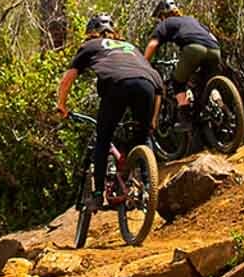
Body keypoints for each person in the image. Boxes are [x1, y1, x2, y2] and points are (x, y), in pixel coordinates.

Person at [57, 14, 164, 207]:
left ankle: (98, 194)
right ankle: (149, 188)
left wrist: (61, 105)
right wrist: (153, 119)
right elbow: (159, 89)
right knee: (143, 136)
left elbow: (68, 78)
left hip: (117, 85)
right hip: (148, 85)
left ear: (91, 33)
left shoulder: (91, 45)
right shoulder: (130, 47)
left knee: (103, 138)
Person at [143, 0, 222, 112]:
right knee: (206, 82)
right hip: (215, 49)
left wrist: (144, 64)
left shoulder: (166, 23)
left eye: (160, 17)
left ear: (163, 15)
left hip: (194, 49)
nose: (160, 20)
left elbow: (152, 44)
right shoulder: (191, 20)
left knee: (177, 83)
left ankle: (185, 114)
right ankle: (222, 108)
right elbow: (212, 36)